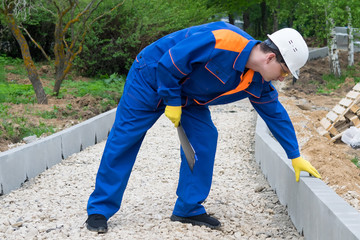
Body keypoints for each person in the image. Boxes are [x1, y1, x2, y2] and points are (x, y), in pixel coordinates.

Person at [85, 21, 321, 233]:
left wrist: (294, 155)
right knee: (125, 138)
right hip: (150, 77)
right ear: (270, 58)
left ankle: (188, 207)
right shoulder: (222, 40)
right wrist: (171, 100)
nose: (282, 79)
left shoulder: (258, 79)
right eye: (285, 71)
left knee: (205, 139)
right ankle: (99, 210)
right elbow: (169, 63)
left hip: (189, 96)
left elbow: (275, 114)